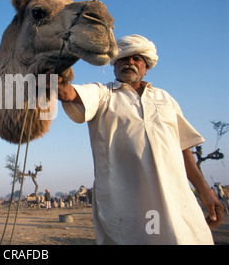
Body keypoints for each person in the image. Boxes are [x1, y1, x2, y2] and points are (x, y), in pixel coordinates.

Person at [57, 34, 224, 245]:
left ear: (146, 67)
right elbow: (66, 93)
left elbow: (184, 149)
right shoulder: (103, 94)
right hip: (126, 202)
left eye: (137, 59)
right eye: (123, 58)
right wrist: (54, 67)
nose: (129, 62)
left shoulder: (165, 98)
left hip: (177, 199)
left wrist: (206, 194)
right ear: (114, 65)